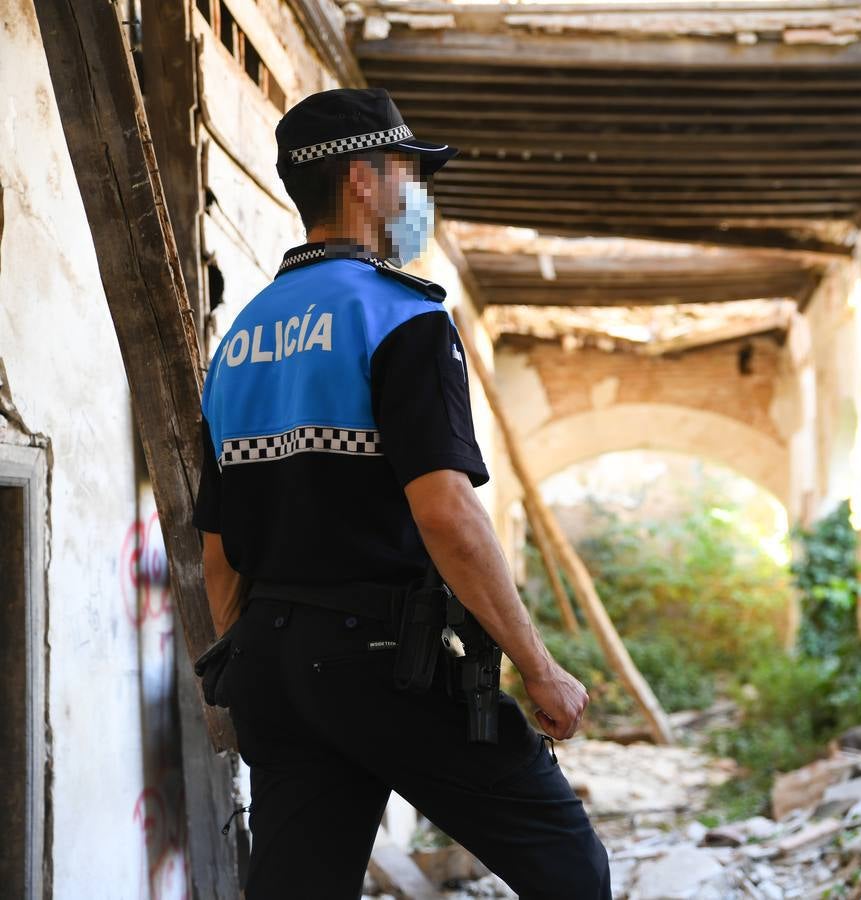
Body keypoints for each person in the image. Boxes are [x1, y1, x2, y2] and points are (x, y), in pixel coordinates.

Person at [192, 87, 611, 899]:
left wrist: (249, 670)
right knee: (566, 862)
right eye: (408, 173)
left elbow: (218, 552)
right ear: (361, 180)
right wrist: (539, 666)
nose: (419, 194)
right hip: (382, 660)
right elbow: (448, 514)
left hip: (271, 661)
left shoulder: (241, 338)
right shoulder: (398, 317)